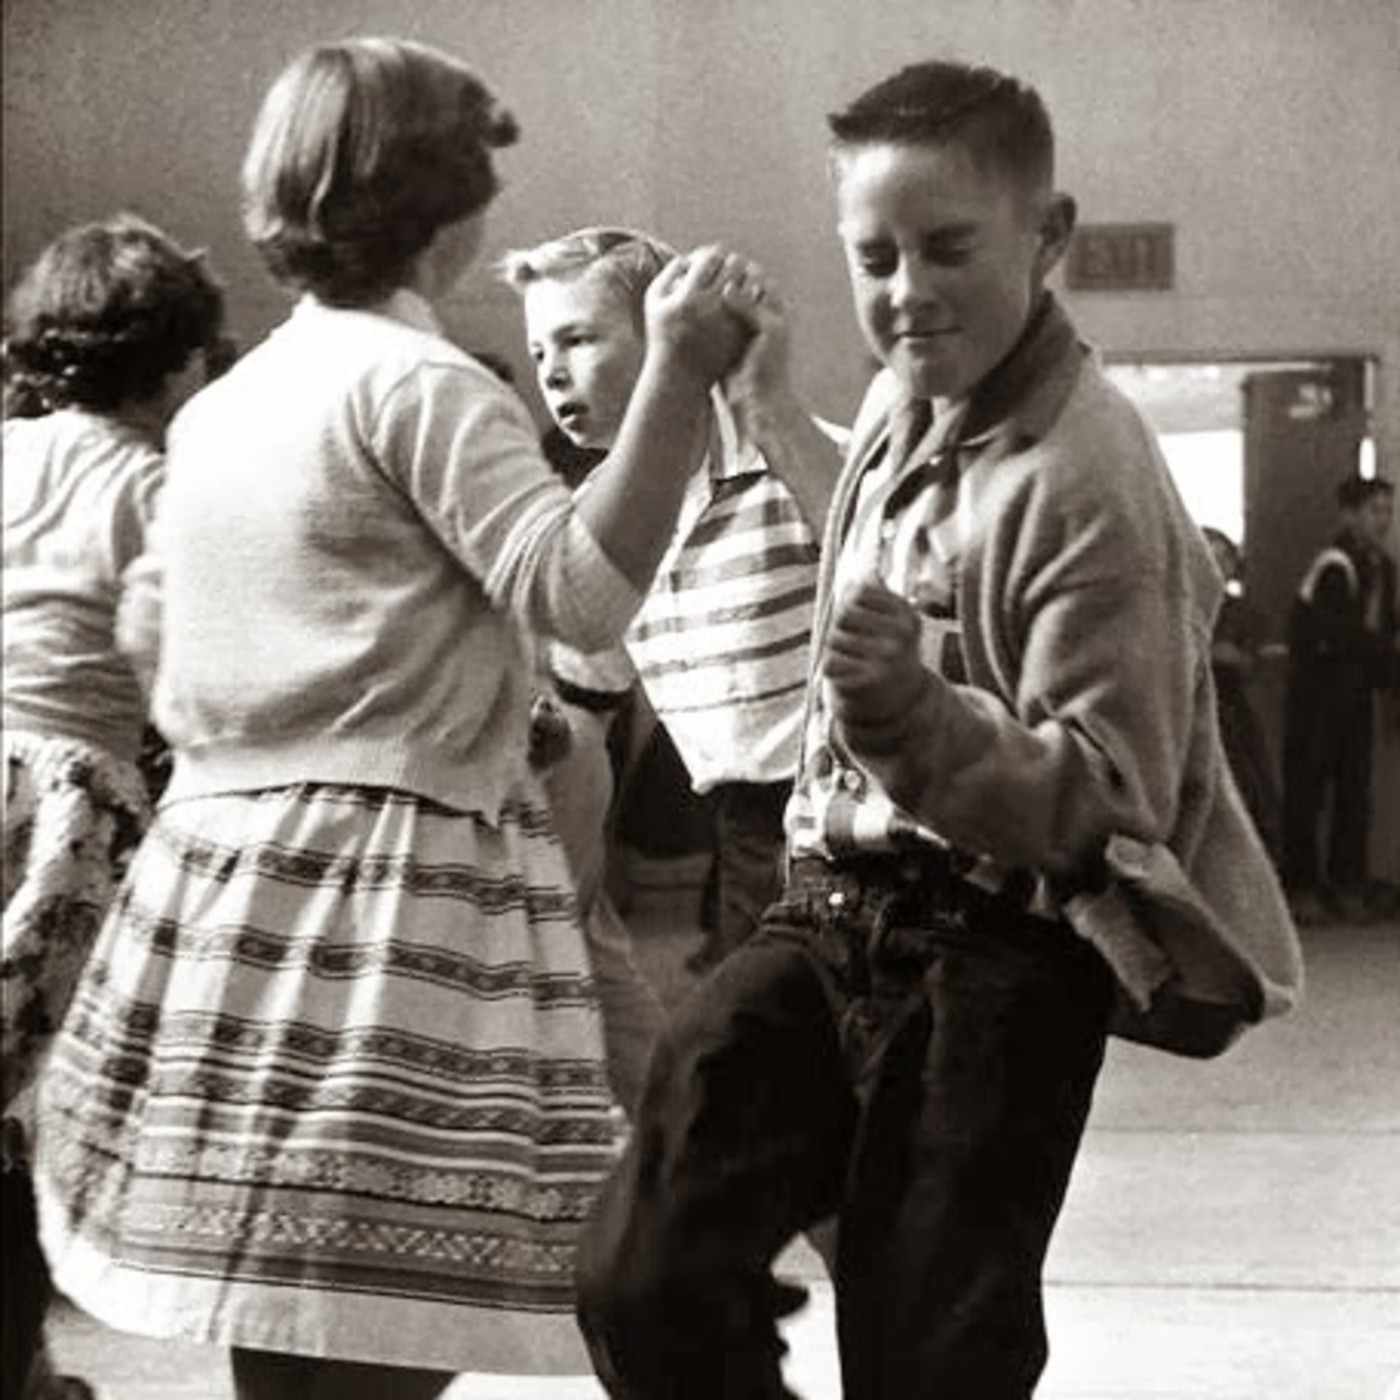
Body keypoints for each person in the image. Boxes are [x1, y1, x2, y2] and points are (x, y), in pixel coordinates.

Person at [31, 37, 758, 1400]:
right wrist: (675, 374)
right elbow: (580, 594)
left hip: (228, 880)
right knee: (388, 1296)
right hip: (384, 888)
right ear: (452, 209)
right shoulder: (422, 385)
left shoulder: (225, 404)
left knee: (283, 1285)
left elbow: (155, 636)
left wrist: (396, 679)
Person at [573, 60, 1303, 1399]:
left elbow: (1110, 802)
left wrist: (914, 715)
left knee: (929, 1355)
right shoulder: (905, 401)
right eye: (875, 257)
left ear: (1048, 235)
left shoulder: (1090, 474)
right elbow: (866, 560)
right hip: (825, 911)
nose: (907, 290)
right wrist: (762, 402)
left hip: (999, 957)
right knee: (642, 1271)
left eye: (947, 248)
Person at [3, 213, 227, 1400]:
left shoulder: (4, 451)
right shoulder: (162, 487)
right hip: (66, 808)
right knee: (39, 1100)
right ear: (181, 363)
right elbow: (195, 674)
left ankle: (31, 1365)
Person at [502, 226, 838, 974]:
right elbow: (589, 702)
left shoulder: (793, 454)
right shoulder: (597, 522)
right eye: (539, 352)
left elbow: (887, 574)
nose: (552, 372)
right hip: (743, 827)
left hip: (850, 808)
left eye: (578, 339)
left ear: (668, 340)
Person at [1282, 474, 1398, 923]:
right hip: (1317, 697)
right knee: (1308, 792)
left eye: (1388, 511)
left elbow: (1384, 630)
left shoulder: (1384, 568)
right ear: (1350, 515)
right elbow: (1328, 634)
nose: (1382, 520)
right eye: (1374, 511)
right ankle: (1301, 886)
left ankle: (1347, 882)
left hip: (1357, 698)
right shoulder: (1333, 565)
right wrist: (1382, 650)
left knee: (1354, 791)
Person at [1202, 526, 1282, 867]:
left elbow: (1252, 664)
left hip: (1230, 713)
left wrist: (1235, 658)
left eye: (1224, 557)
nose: (1216, 564)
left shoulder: (1244, 613)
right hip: (1187, 712)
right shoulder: (1175, 610)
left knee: (1249, 790)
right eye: (1208, 555)